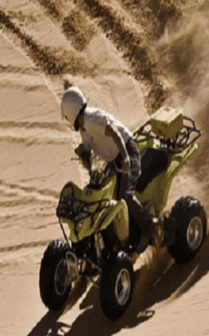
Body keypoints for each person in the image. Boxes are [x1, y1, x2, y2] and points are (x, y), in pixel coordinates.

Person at [60, 86, 156, 251]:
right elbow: (89, 153)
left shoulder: (91, 118)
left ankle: (149, 228)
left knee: (124, 196)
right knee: (103, 197)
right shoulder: (84, 128)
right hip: (114, 161)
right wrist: (84, 155)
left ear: (71, 112)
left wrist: (125, 157)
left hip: (128, 152)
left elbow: (113, 132)